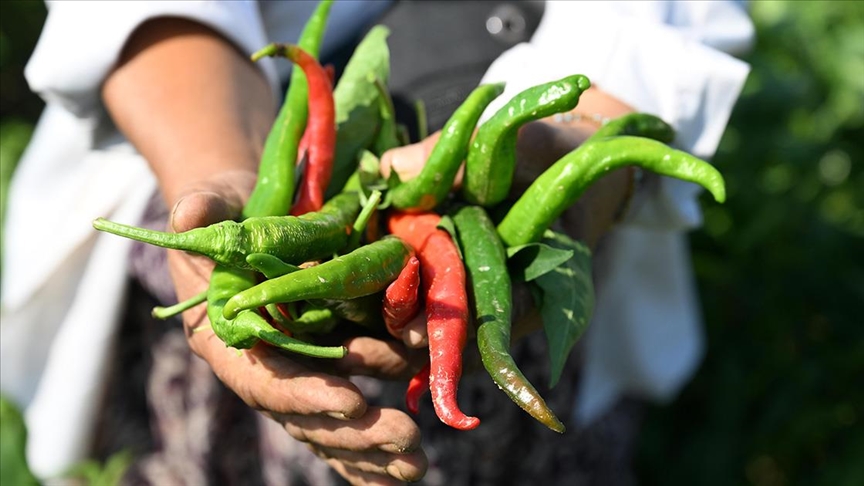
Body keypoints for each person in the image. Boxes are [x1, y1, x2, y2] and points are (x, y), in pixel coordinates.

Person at [0, 1, 753, 485]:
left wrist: (570, 142)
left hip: (528, 240)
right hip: (205, 125)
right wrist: (216, 165)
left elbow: (654, 21)